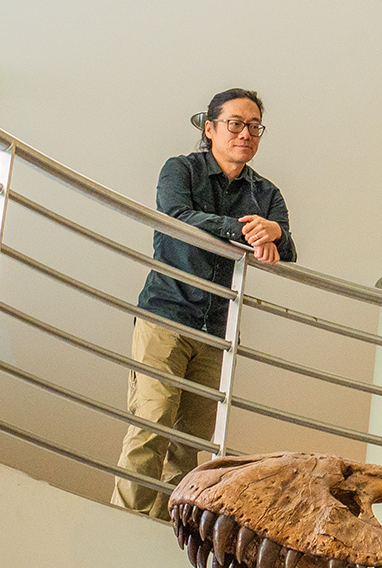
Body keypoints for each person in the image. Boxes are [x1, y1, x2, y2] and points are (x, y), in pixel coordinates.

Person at [111, 87, 295, 519]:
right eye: (235, 124)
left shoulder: (266, 195)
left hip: (217, 329)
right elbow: (175, 218)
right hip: (166, 313)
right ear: (209, 128)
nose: (245, 134)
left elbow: (287, 248)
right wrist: (244, 230)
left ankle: (169, 532)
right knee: (152, 420)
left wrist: (275, 236)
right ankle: (123, 522)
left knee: (191, 443)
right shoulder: (181, 170)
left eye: (254, 126)